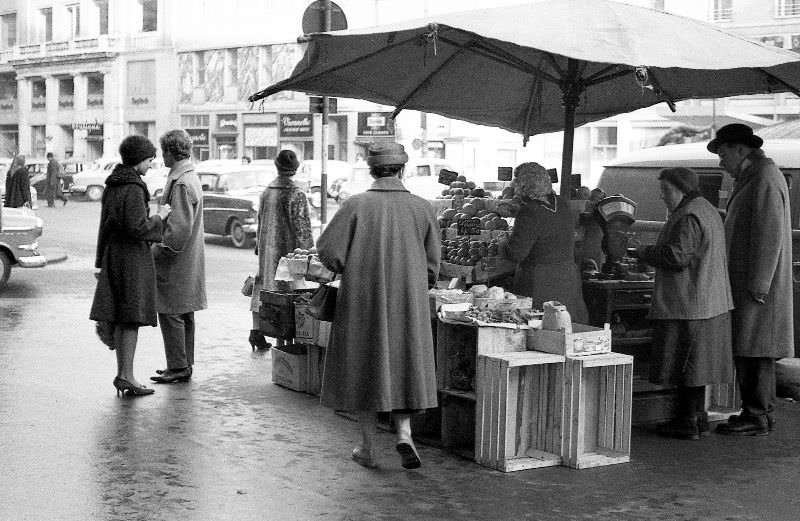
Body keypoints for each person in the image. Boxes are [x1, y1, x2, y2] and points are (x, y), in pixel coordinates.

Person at [316, 141, 440, 470]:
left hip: (361, 298)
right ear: (402, 170)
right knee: (403, 361)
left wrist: (353, 264)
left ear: (372, 171)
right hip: (408, 300)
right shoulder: (423, 207)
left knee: (363, 366)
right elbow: (432, 266)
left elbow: (329, 251)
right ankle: (403, 433)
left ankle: (369, 447)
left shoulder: (355, 205)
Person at [631, 167, 734, 440]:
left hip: (691, 302)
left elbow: (677, 257)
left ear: (681, 189)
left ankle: (686, 422)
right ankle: (696, 418)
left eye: (666, 190)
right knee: (696, 365)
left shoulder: (689, 215)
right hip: (708, 300)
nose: (662, 196)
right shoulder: (706, 209)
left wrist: (644, 252)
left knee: (686, 363)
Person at [708, 124, 794, 436]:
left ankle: (757, 414)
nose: (720, 162)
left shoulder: (764, 178)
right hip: (750, 282)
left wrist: (759, 285)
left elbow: (769, 234)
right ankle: (756, 412)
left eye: (722, 153)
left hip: (757, 286)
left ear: (740, 149)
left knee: (756, 350)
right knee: (751, 348)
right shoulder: (755, 176)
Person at [89, 136, 171, 396]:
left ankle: (124, 374)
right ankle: (127, 376)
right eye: (149, 160)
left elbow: (104, 225)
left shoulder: (112, 184)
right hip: (132, 258)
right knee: (131, 318)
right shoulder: (135, 187)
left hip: (114, 255)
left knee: (123, 316)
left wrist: (100, 262)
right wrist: (161, 216)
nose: (150, 165)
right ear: (139, 160)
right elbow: (138, 227)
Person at [150, 130, 207, 384]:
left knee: (172, 312)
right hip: (188, 257)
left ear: (171, 152)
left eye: (164, 151)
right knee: (184, 312)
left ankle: (178, 366)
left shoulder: (181, 182)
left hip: (176, 261)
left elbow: (179, 230)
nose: (162, 156)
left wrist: (159, 250)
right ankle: (183, 363)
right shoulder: (188, 177)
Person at [499, 162, 588, 323]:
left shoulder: (530, 212)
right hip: (568, 280)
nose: (516, 190)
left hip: (540, 284)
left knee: (542, 330)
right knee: (566, 327)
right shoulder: (563, 204)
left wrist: (503, 243)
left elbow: (516, 253)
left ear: (526, 186)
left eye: (517, 184)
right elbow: (549, 223)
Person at [248, 149, 313, 350]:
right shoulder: (296, 194)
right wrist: (309, 254)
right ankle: (286, 339)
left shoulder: (267, 193)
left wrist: (260, 248)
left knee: (264, 290)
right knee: (288, 296)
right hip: (289, 255)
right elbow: (303, 230)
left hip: (268, 253)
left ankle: (257, 330)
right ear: (295, 169)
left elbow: (260, 223)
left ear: (277, 166)